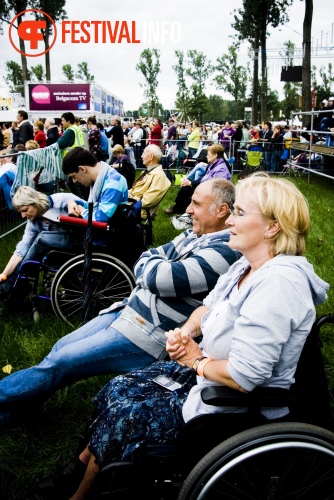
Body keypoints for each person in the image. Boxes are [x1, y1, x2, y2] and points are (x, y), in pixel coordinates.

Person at [36, 174, 329, 500]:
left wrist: (196, 359)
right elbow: (207, 308)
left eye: (241, 213)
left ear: (273, 227)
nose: (230, 219)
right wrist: (185, 333)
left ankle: (80, 490)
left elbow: (246, 376)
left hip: (233, 404)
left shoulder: (279, 284)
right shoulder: (245, 267)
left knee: (128, 414)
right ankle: (78, 469)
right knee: (121, 387)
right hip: (205, 378)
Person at [0, 179, 241, 430]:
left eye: (196, 204)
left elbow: (163, 279)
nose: (188, 209)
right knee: (60, 348)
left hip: (148, 333)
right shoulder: (194, 234)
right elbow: (146, 257)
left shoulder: (226, 251)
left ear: (221, 211)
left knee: (60, 363)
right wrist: (153, 268)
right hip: (127, 311)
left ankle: (8, 404)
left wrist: (153, 270)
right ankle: (20, 410)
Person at [0, 186, 79, 300]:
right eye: (20, 212)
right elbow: (23, 247)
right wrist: (3, 275)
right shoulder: (32, 222)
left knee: (42, 239)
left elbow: (86, 208)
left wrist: (73, 205)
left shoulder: (61, 200)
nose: (23, 216)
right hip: (60, 254)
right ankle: (11, 291)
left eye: (25, 210)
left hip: (78, 241)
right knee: (34, 251)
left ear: (35, 202)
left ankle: (7, 289)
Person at [164, 144, 231, 215]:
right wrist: (191, 183)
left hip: (214, 194)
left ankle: (182, 209)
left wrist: (191, 183)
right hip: (207, 188)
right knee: (185, 188)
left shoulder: (221, 169)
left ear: (215, 155)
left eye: (208, 154)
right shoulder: (213, 165)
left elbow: (215, 185)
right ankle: (178, 208)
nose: (206, 156)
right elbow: (206, 178)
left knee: (189, 192)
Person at [127, 144, 171, 218]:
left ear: (150, 157)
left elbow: (148, 200)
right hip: (131, 203)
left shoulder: (158, 175)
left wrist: (129, 198)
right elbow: (136, 189)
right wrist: (126, 193)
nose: (141, 156)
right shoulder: (149, 171)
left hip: (137, 210)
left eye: (143, 153)